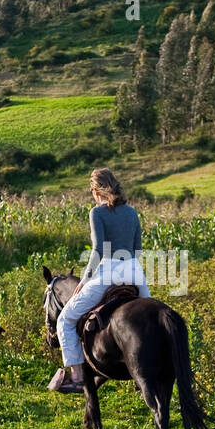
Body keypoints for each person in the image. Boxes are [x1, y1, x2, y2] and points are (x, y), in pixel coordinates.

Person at [47, 168, 151, 393]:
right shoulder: (132, 212)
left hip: (109, 273)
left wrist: (84, 280)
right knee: (150, 319)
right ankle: (145, 368)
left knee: (65, 320)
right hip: (134, 272)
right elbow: (138, 250)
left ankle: (76, 376)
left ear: (96, 191)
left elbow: (97, 252)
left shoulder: (97, 213)